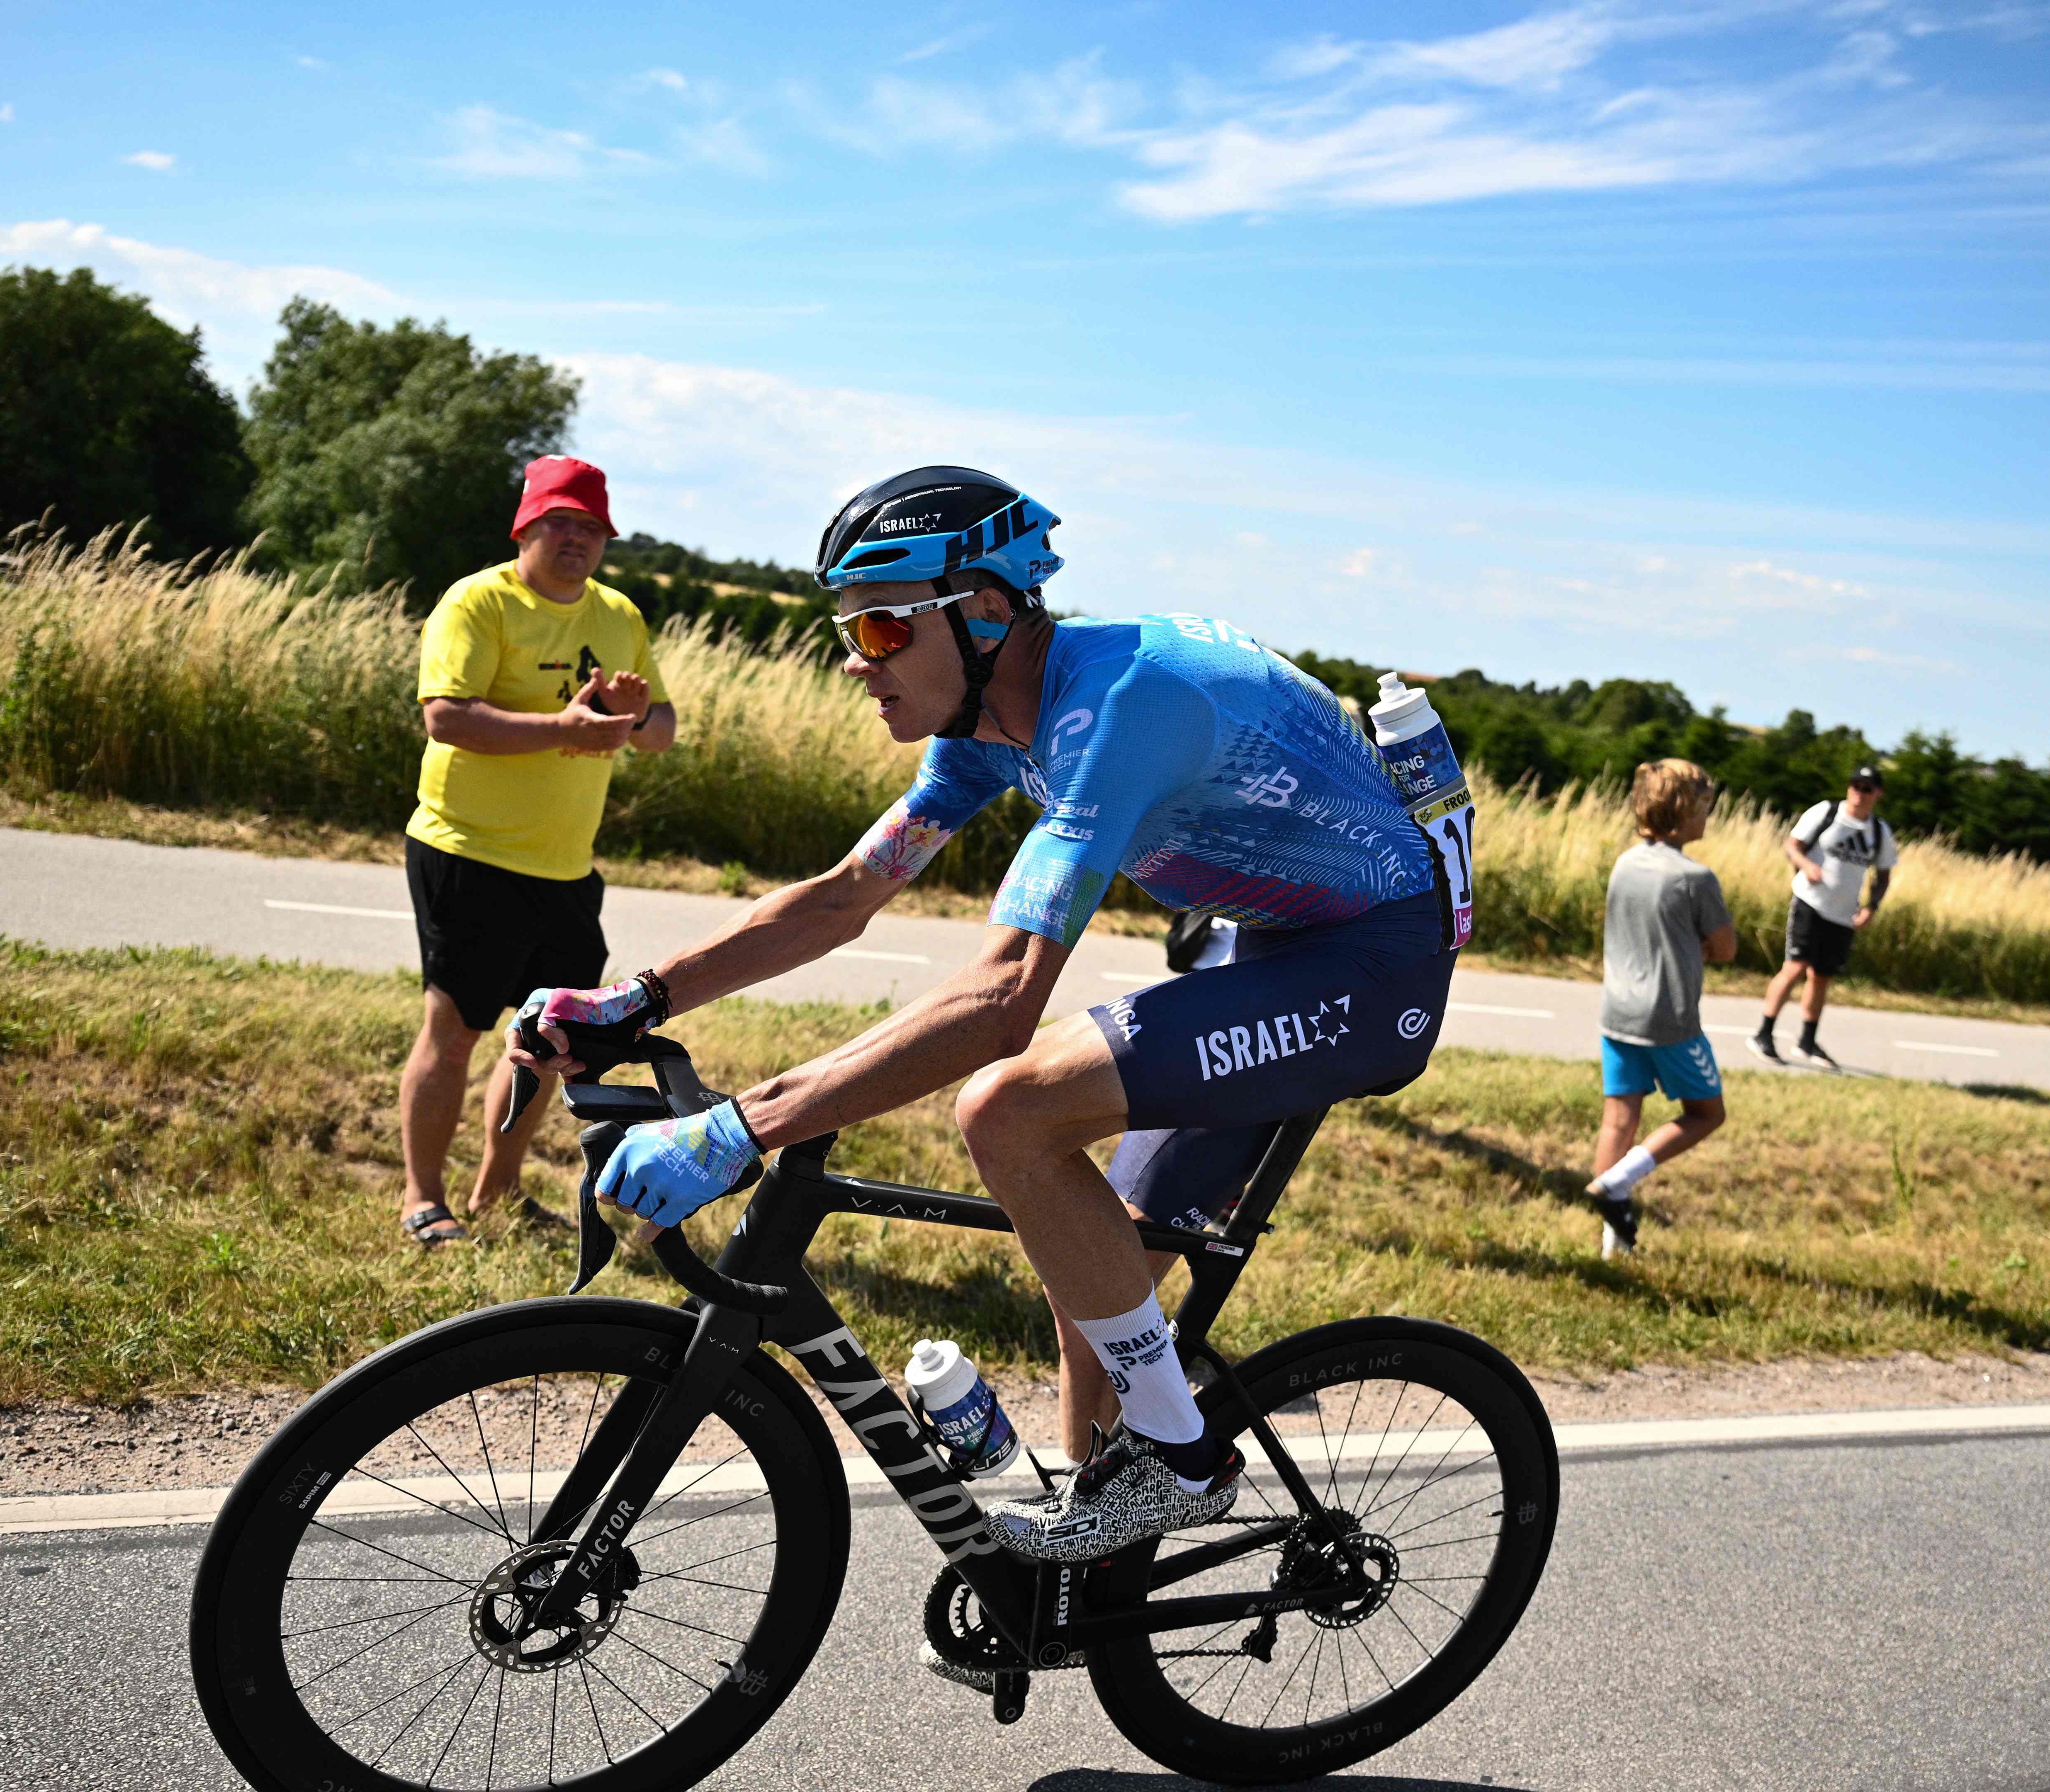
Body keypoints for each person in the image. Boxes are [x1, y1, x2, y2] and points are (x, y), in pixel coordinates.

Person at [515, 465, 1462, 1565]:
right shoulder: (986, 728)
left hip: (1370, 967)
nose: (853, 660)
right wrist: (642, 997)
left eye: (876, 629)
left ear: (985, 611)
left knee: (1007, 1107)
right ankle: (1087, 1575)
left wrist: (743, 1126)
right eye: (845, 631)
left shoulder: (1121, 706)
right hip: (1271, 942)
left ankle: (1189, 1466)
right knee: (1098, 1279)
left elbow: (1004, 1000)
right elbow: (846, 895)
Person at [398, 455, 678, 1250]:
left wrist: (626, 719)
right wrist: (565, 730)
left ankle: (499, 1190)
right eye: (561, 522)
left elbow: (662, 731)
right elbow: (446, 718)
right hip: (468, 850)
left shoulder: (618, 614)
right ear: (525, 526)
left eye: (592, 529)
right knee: (454, 1032)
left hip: (565, 868)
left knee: (547, 1041)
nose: (576, 540)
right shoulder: (480, 602)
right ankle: (424, 1199)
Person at [1585, 760, 1736, 1257]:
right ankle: (1619, 1182)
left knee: (1618, 1120)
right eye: (1706, 809)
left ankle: (1613, 1241)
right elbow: (1727, 947)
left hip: (1617, 1013)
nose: (1709, 819)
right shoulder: (1696, 878)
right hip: (1670, 1020)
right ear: (1684, 812)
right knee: (1706, 1112)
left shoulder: (1626, 863)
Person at [1753, 762, 1898, 1069]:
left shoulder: (1878, 832)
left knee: (1820, 977)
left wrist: (1871, 907)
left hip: (1843, 914)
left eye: (1867, 789)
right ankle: (1763, 1034)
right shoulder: (1826, 813)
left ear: (1878, 794)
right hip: (1810, 901)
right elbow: (1792, 846)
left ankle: (1807, 1041)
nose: (1859, 793)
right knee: (1794, 967)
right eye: (1855, 786)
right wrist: (1806, 866)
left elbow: (1883, 877)